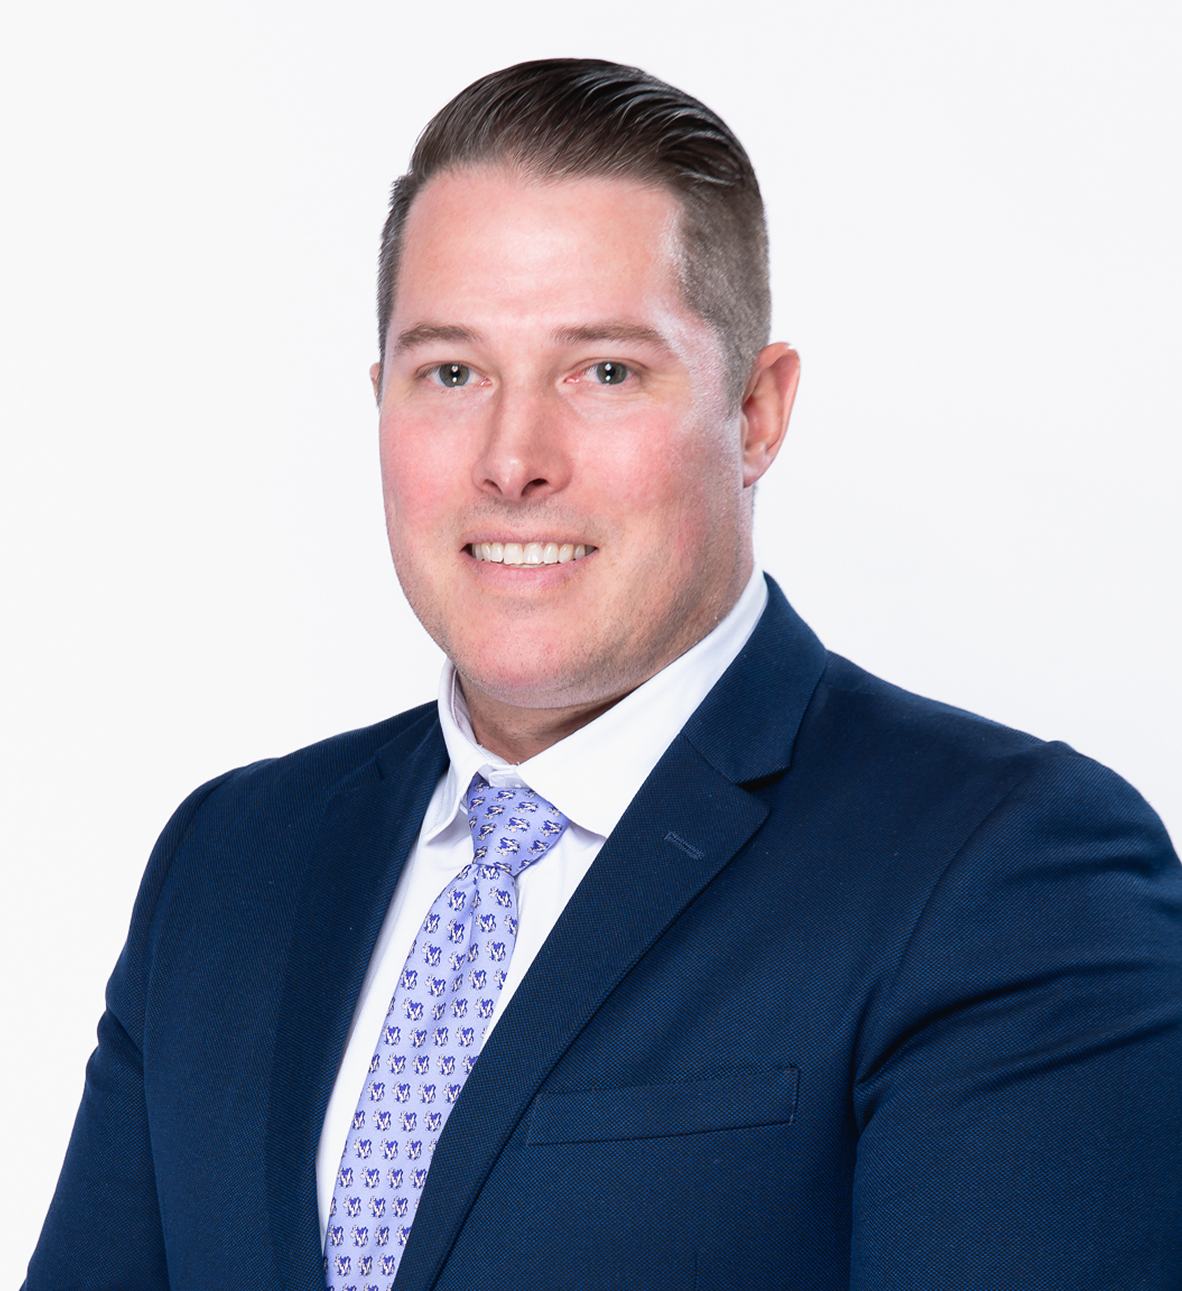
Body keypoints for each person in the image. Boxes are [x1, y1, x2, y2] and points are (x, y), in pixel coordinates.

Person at [24, 58, 1182, 1291]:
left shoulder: (1010, 873)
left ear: (757, 411)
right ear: (381, 403)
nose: (512, 458)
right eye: (452, 372)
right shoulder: (227, 863)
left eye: (606, 371)